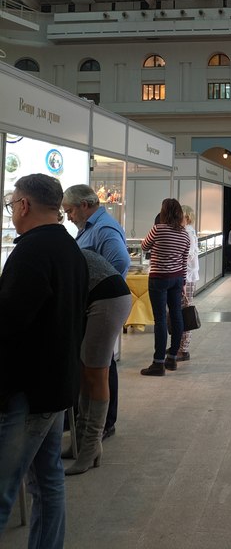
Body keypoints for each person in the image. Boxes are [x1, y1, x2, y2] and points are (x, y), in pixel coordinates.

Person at [0, 174, 88, 547]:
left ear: (23, 205)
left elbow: (10, 323)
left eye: (11, 205)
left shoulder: (31, 252)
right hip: (55, 386)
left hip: (28, 392)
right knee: (47, 481)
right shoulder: (69, 248)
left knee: (5, 486)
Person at [62, 184, 131, 441]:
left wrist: (100, 290)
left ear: (84, 205)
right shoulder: (90, 227)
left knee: (101, 366)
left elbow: (120, 261)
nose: (69, 217)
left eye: (70, 211)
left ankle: (104, 423)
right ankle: (89, 422)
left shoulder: (103, 228)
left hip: (100, 306)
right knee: (95, 363)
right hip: (95, 305)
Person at [64, 250, 132, 475]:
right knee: (85, 370)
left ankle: (91, 445)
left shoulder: (48, 249)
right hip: (100, 298)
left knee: (96, 373)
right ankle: (80, 441)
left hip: (108, 300)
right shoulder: (55, 247)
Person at [140, 198, 190, 376]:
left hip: (159, 278)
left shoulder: (158, 229)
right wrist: (183, 282)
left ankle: (158, 363)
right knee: (176, 316)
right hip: (177, 278)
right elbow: (184, 260)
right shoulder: (184, 234)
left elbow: (144, 246)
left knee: (160, 319)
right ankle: (172, 358)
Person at [178, 206, 200, 361]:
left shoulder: (188, 232)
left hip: (187, 277)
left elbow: (189, 255)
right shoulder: (187, 232)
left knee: (186, 311)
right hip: (186, 276)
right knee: (181, 310)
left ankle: (184, 348)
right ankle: (179, 345)